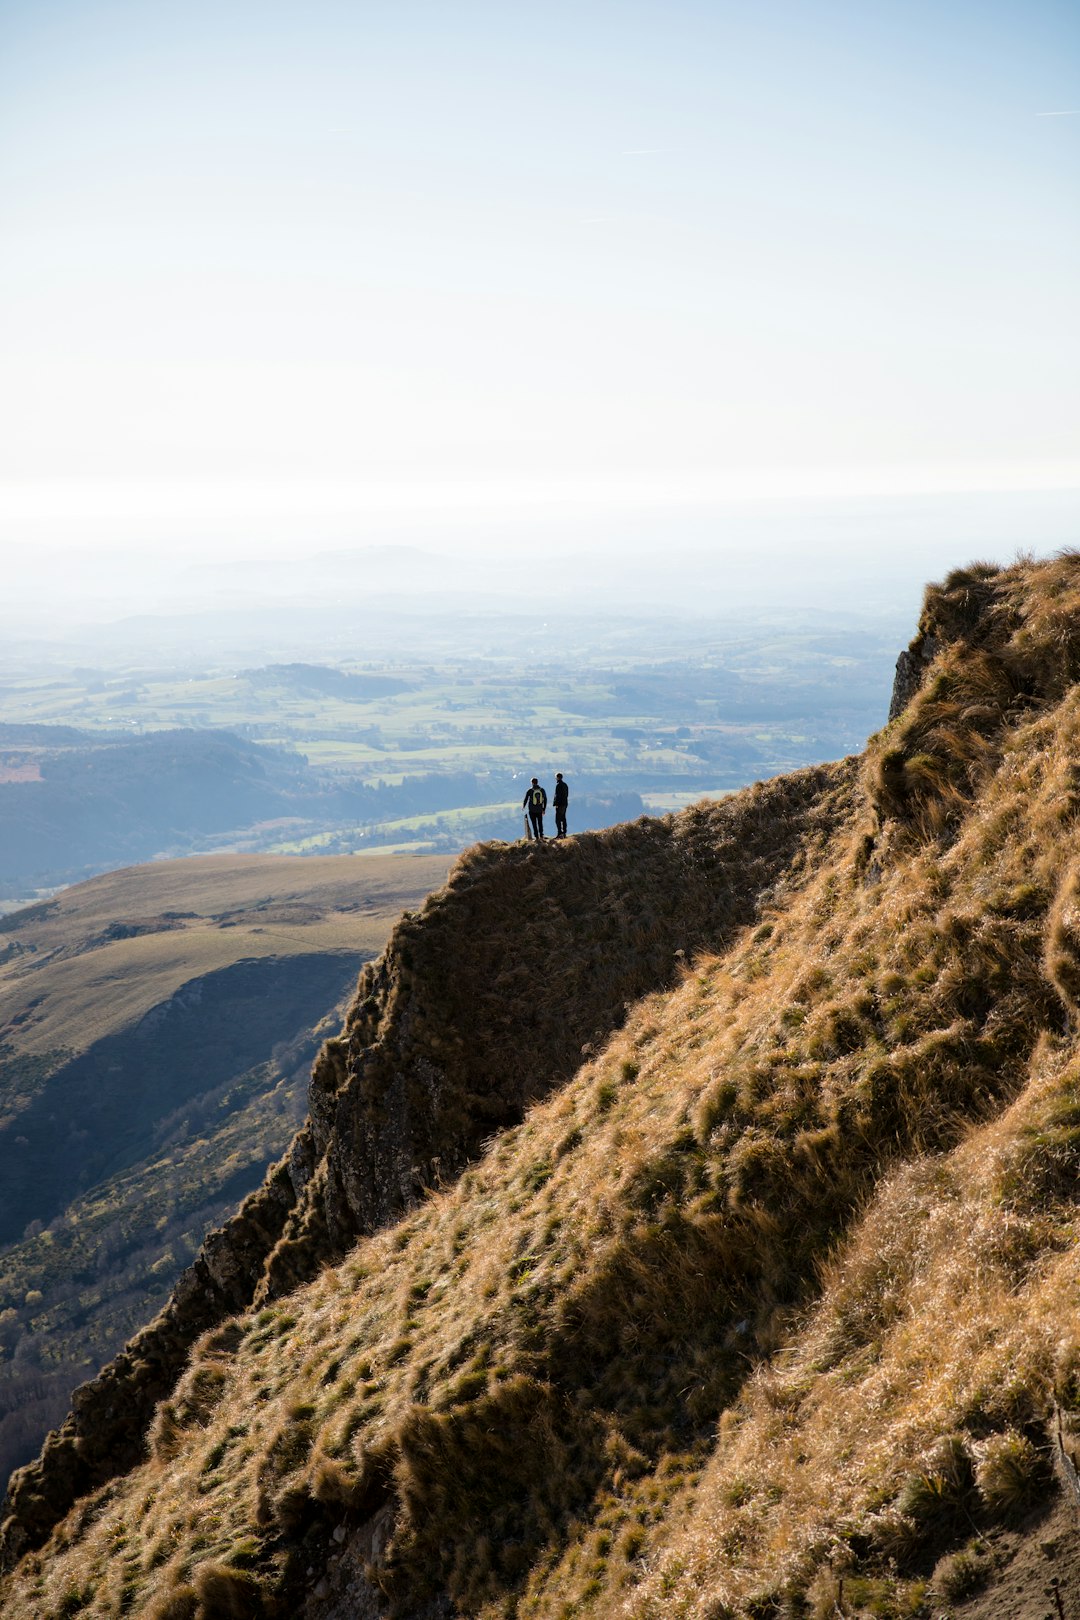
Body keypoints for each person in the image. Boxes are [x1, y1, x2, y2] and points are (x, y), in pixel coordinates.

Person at [553, 772, 569, 838]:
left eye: (556, 777)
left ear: (558, 777)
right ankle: (564, 832)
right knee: (563, 818)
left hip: (560, 804)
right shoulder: (565, 785)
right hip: (565, 803)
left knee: (558, 819)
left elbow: (557, 795)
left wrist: (556, 804)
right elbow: (567, 794)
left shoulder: (558, 785)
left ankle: (559, 833)